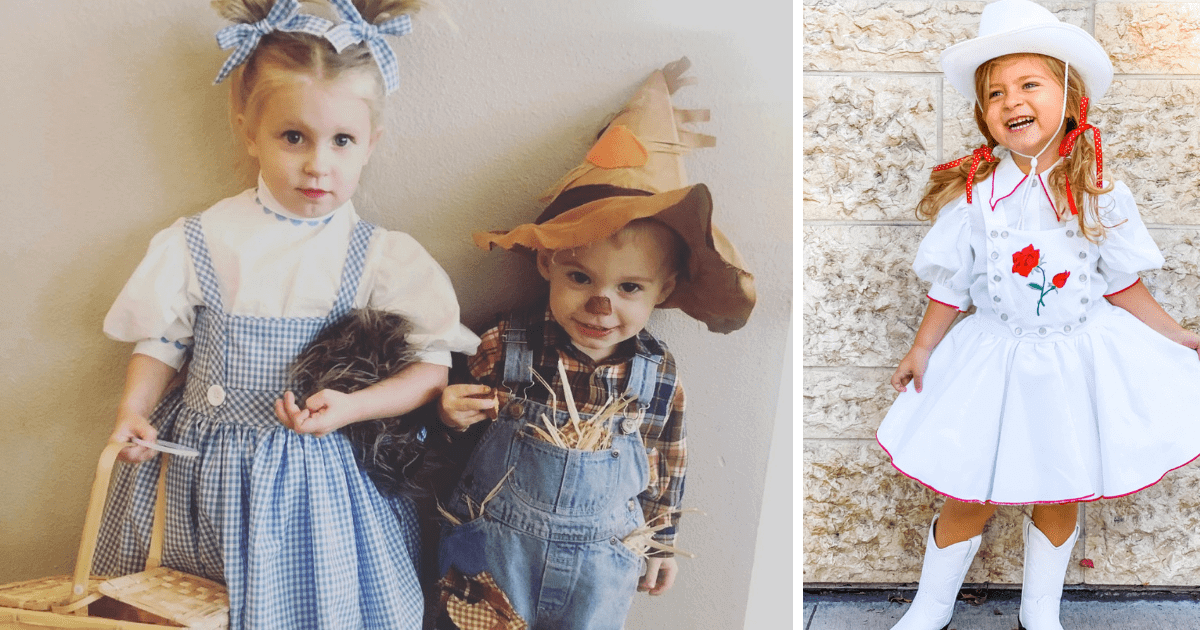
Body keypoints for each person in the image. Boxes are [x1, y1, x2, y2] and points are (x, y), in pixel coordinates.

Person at [92, 1, 479, 627]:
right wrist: (134, 409)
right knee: (182, 606)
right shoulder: (204, 238)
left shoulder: (381, 257)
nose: (317, 164)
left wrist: (352, 406)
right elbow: (162, 338)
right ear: (250, 131)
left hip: (319, 482)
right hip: (200, 472)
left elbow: (432, 370)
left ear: (371, 143)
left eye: (342, 140)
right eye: (293, 136)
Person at [876, 1, 1200, 629]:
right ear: (985, 115)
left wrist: (1175, 334)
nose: (1009, 100)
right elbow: (953, 287)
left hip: (1073, 360)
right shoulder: (976, 194)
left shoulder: (1097, 188)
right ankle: (930, 607)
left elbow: (1122, 285)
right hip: (992, 357)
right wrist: (921, 348)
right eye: (994, 92)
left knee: (1058, 490)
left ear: (1068, 98)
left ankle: (1040, 612)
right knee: (968, 490)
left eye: (1029, 84)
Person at [432, 58, 755, 629]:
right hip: (496, 554)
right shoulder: (505, 344)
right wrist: (449, 414)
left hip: (601, 562)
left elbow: (668, 465)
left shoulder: (656, 376)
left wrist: (659, 543)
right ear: (547, 264)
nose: (602, 304)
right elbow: (453, 442)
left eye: (629, 287)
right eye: (581, 278)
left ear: (665, 290)